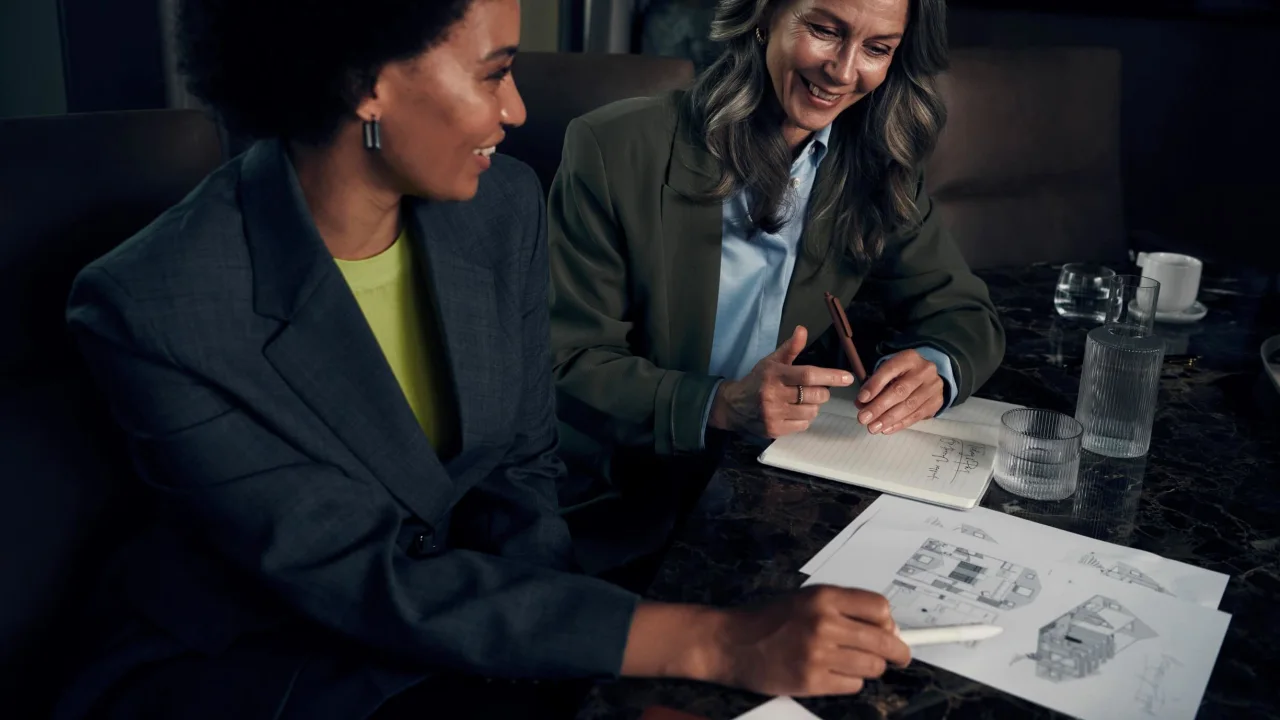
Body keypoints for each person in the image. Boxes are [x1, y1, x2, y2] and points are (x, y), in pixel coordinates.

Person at [52, 1, 912, 718]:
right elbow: (364, 579)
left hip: (478, 627)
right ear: (368, 85)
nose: (518, 113)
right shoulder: (154, 305)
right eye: (494, 72)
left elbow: (521, 471)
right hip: (271, 668)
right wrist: (712, 640)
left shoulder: (498, 204)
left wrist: (568, 670)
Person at [549, 0, 1005, 568]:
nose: (843, 71)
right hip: (624, 495)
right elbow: (568, 362)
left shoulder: (876, 161)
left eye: (877, 49)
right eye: (823, 30)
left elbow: (965, 314)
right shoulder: (612, 147)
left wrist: (935, 369)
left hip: (781, 490)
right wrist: (717, 404)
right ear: (764, 16)